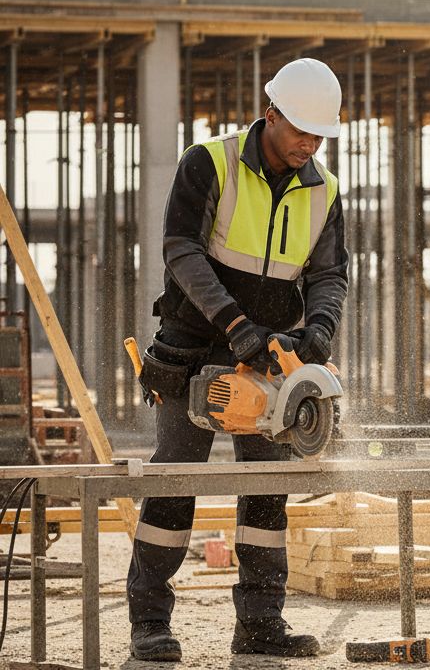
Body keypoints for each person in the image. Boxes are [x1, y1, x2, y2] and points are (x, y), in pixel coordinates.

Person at [127, 58, 349, 661]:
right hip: (193, 347)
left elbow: (329, 273)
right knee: (176, 479)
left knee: (268, 489)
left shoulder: (323, 191)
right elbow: (181, 251)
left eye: (319, 134)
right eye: (299, 128)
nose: (309, 143)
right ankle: (149, 622)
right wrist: (235, 325)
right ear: (269, 111)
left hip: (271, 359)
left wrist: (319, 329)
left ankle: (260, 625)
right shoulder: (209, 162)